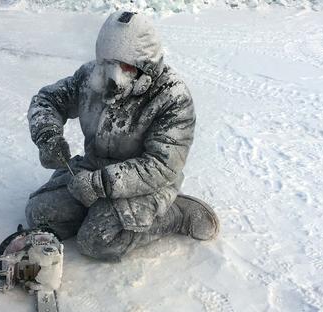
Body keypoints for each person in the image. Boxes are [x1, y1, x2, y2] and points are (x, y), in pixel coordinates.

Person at [25, 11, 219, 262]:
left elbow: (162, 165)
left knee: (97, 241)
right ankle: (100, 212)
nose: (114, 75)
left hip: (144, 185)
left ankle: (176, 214)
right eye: (108, 63)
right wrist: (48, 136)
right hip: (92, 168)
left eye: (126, 66)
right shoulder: (89, 77)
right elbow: (46, 100)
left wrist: (99, 184)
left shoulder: (172, 97)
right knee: (41, 216)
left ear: (145, 65)